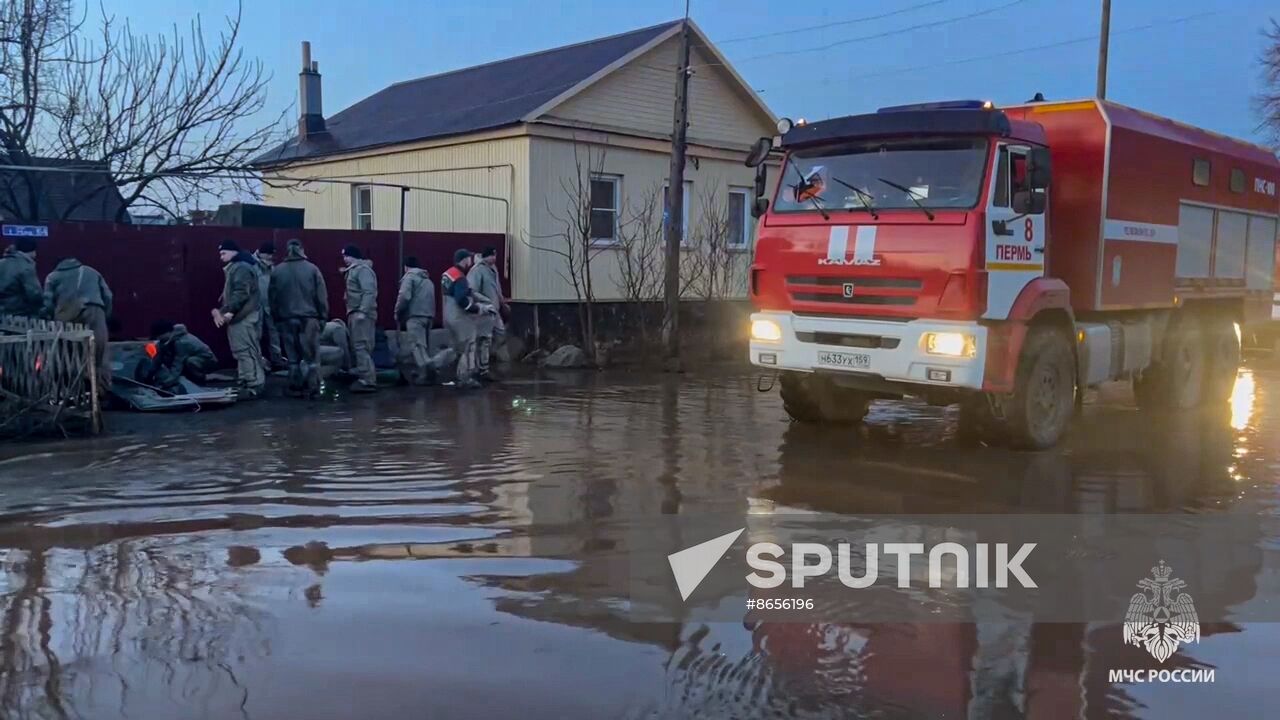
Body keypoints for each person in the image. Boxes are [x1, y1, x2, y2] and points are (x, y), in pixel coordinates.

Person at [42, 256, 114, 393]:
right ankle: (100, 391)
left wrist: (51, 317)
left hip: (65, 315)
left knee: (68, 352)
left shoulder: (53, 276)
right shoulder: (91, 272)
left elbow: (47, 302)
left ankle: (71, 390)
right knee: (98, 352)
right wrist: (105, 315)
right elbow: (108, 296)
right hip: (94, 310)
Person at [270, 239, 329, 397]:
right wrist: (323, 317)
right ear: (302, 249)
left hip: (286, 319)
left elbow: (273, 298)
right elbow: (321, 296)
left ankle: (295, 386)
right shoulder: (312, 269)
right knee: (311, 358)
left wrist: (276, 318)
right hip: (309, 319)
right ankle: (313, 388)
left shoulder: (277, 271)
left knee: (293, 358)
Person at [213, 240, 264, 399]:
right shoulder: (239, 266)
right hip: (241, 316)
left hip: (243, 316)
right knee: (241, 351)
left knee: (246, 350)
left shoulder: (240, 267)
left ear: (233, 252)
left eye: (223, 253)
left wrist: (229, 311)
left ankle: (254, 384)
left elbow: (241, 293)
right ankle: (246, 381)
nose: (221, 256)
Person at [441, 248, 495, 390]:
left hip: (448, 315)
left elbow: (467, 292)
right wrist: (480, 308)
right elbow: (462, 300)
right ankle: (466, 378)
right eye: (469, 259)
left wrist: (483, 300)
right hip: (459, 317)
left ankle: (437, 368)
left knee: (456, 348)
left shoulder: (448, 274)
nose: (471, 261)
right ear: (464, 260)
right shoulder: (460, 277)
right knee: (468, 345)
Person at [341, 244, 378, 393]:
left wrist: (363, 311)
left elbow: (369, 292)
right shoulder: (355, 270)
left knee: (361, 346)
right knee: (359, 346)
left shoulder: (362, 271)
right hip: (355, 312)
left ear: (352, 256)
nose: (344, 259)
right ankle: (366, 376)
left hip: (360, 314)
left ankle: (368, 380)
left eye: (345, 256)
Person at [466, 246, 506, 382]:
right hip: (484, 311)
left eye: (495, 255)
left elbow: (497, 288)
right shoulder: (477, 271)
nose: (495, 258)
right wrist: (485, 302)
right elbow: (472, 290)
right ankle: (482, 369)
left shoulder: (493, 270)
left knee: (500, 334)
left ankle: (485, 361)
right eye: (492, 255)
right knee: (484, 340)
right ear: (485, 256)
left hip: (494, 310)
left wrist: (503, 303)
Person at [395, 256, 436, 386]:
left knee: (417, 346)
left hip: (415, 316)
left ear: (406, 267)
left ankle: (425, 374)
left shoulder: (409, 277)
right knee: (424, 347)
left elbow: (404, 296)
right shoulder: (427, 280)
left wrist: (397, 312)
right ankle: (425, 371)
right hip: (428, 316)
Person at [149, 320, 217, 384]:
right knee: (167, 358)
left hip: (207, 360)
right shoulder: (163, 342)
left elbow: (178, 363)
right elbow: (157, 360)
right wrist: (148, 375)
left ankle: (201, 379)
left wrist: (168, 382)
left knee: (190, 361)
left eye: (159, 335)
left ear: (168, 332)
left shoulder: (182, 342)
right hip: (187, 360)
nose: (158, 338)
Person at [255, 241, 285, 371]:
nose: (271, 258)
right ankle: (257, 360)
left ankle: (277, 359)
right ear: (262, 253)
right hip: (255, 305)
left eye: (272, 255)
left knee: (274, 333)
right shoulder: (252, 266)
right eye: (269, 255)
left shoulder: (272, 268)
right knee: (257, 333)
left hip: (269, 304)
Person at [0, 237, 42, 317]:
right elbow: (35, 294)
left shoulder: (1, 263)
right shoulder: (26, 267)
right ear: (33, 251)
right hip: (18, 314)